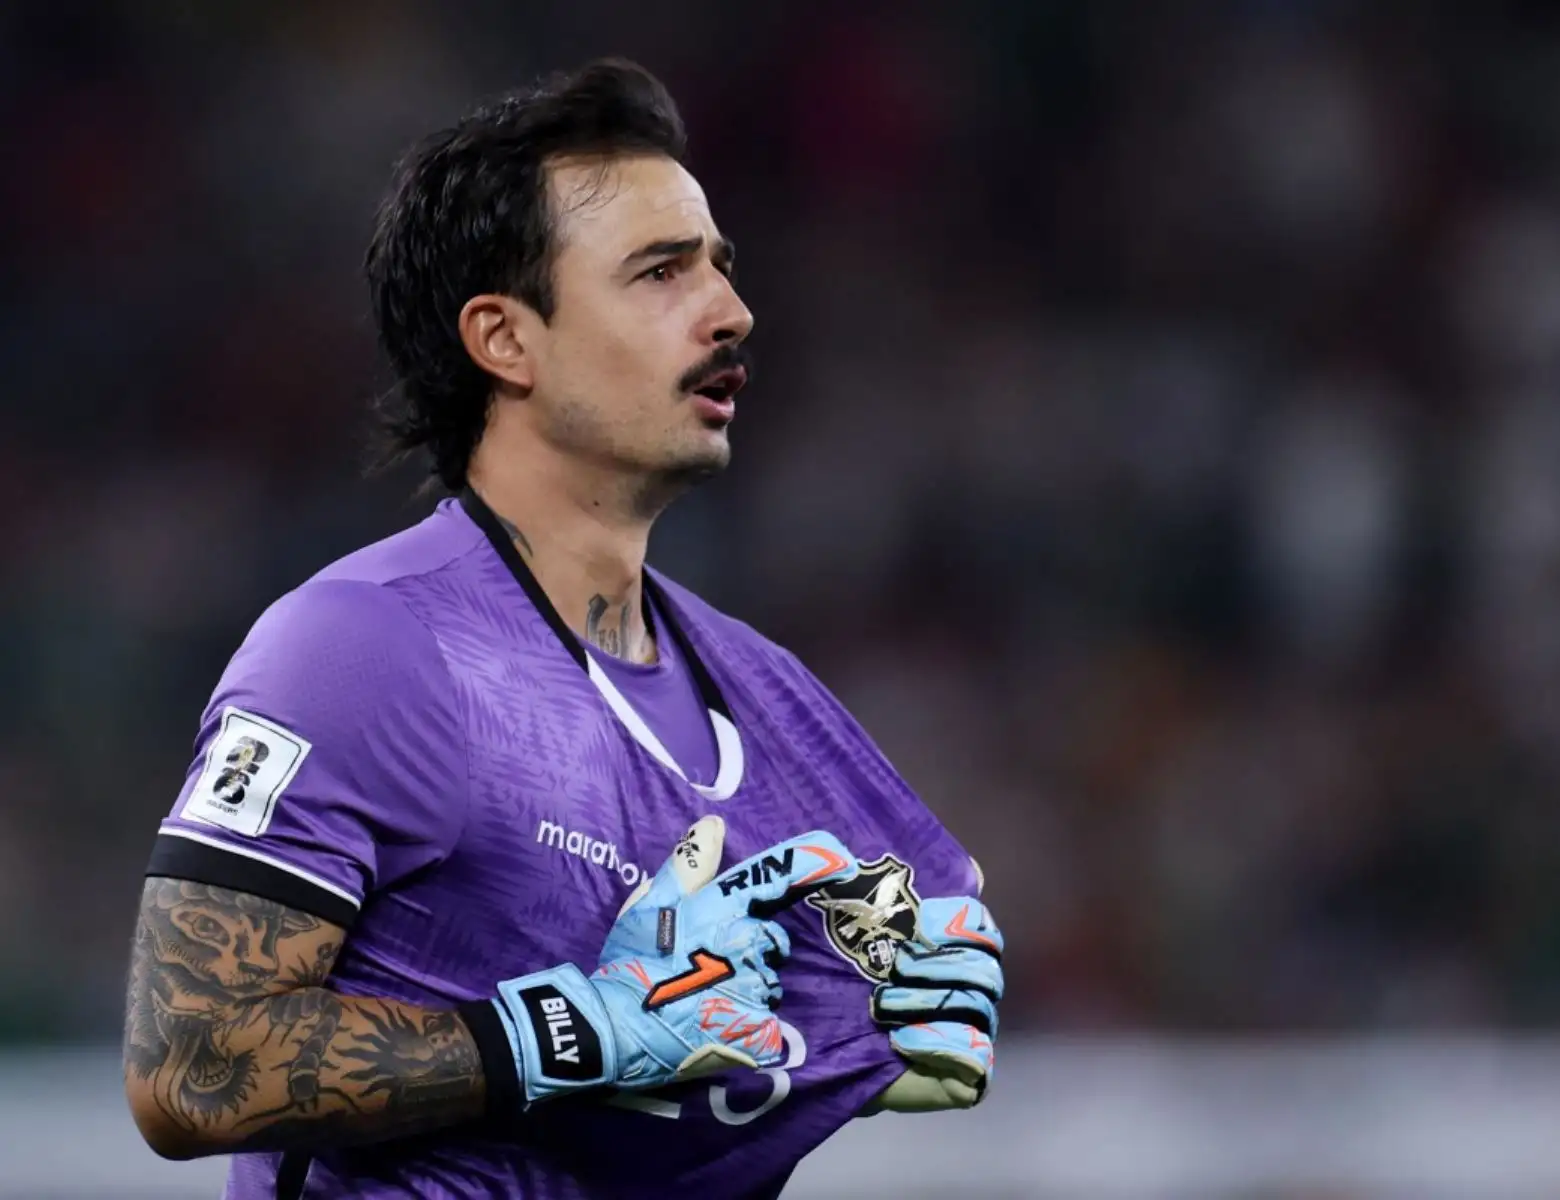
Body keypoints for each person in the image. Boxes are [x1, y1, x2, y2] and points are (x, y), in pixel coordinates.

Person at [122, 58, 1004, 1200]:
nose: (731, 311)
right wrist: (566, 1036)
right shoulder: (367, 649)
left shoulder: (776, 703)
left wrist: (883, 1034)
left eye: (721, 268)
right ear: (506, 340)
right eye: (660, 271)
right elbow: (188, 1065)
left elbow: (899, 944)